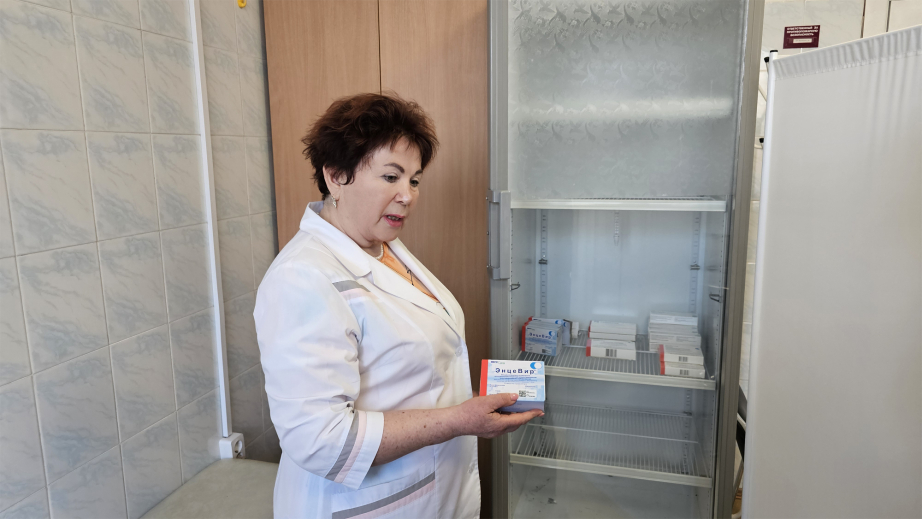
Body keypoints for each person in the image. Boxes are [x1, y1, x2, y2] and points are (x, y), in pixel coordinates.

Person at [253, 93, 543, 519]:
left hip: (430, 490)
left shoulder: (382, 246)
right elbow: (321, 440)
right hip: (363, 505)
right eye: (391, 176)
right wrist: (459, 420)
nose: (407, 195)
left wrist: (467, 402)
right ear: (336, 176)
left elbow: (406, 370)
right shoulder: (302, 278)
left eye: (414, 180)